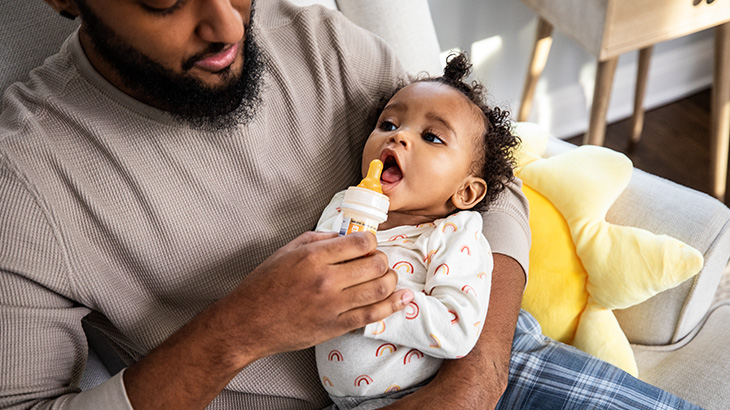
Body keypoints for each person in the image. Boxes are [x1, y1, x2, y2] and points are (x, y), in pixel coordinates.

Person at [0, 0, 703, 409]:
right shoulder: (24, 180)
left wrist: (478, 370)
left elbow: (490, 177)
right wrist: (238, 331)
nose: (225, 26)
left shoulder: (312, 37)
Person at [314, 53, 519, 410]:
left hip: (433, 387)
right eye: (389, 125)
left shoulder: (454, 234)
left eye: (432, 137)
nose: (399, 138)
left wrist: (371, 304)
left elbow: (456, 328)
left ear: (465, 192)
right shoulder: (343, 206)